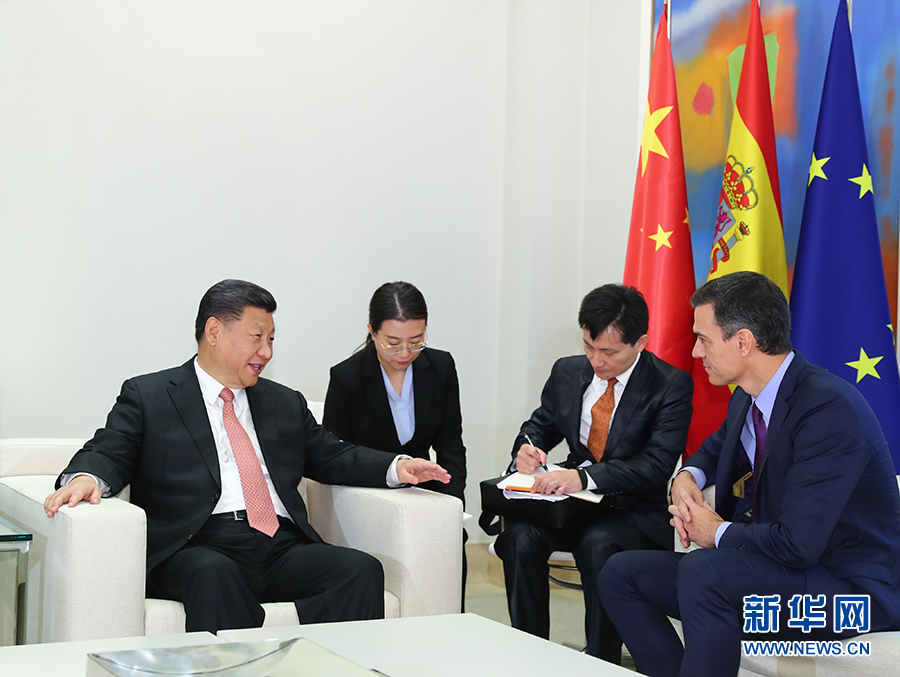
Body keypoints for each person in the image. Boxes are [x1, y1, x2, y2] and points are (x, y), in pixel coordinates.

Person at [43, 279, 449, 634]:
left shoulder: (283, 402)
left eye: (271, 339)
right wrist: (87, 477)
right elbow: (110, 448)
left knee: (358, 571)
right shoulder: (151, 396)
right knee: (213, 572)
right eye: (257, 337)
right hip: (197, 546)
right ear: (214, 331)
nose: (266, 351)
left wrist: (397, 467)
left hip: (279, 545)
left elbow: (332, 454)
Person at [599, 271, 900, 677]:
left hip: (849, 593)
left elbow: (798, 544)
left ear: (743, 341)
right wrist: (686, 478)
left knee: (705, 572)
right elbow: (713, 450)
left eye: (703, 339)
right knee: (621, 574)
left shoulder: (828, 410)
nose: (695, 352)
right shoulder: (748, 396)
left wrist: (715, 532)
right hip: (787, 573)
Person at [493, 283, 693, 662]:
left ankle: (601, 659)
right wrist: (528, 448)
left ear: (640, 343)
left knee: (599, 545)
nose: (596, 360)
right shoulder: (568, 371)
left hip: (631, 510)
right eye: (589, 346)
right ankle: (528, 655)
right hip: (572, 506)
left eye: (608, 352)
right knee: (519, 537)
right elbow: (540, 425)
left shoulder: (669, 385)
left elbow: (655, 466)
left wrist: (586, 478)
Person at [323, 281, 467, 608]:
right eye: (393, 343)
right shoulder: (347, 378)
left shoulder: (440, 367)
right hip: (370, 499)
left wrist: (452, 503)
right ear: (372, 332)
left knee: (451, 543)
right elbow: (334, 456)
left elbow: (451, 445)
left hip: (425, 495)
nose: (405, 354)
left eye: (416, 342)